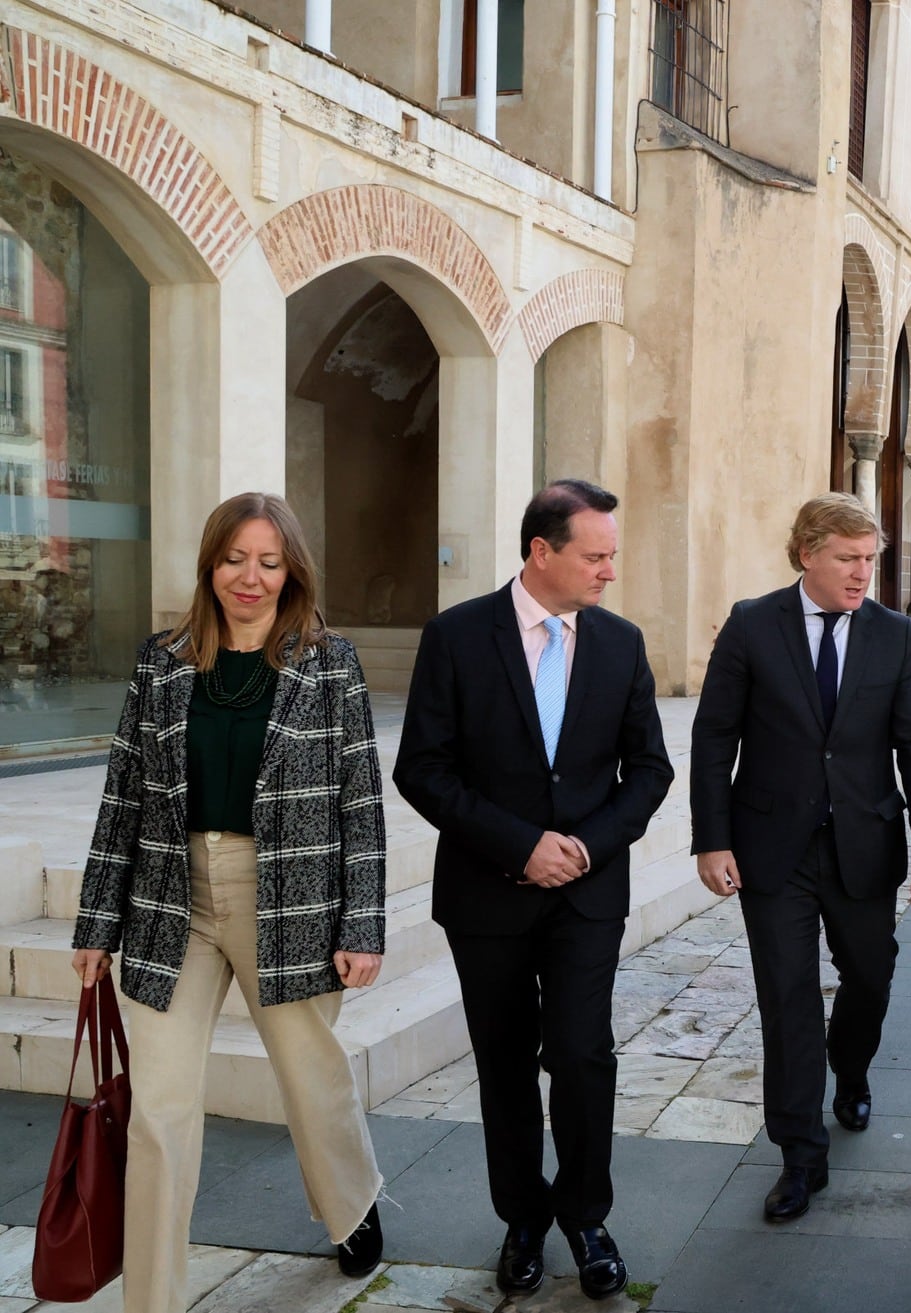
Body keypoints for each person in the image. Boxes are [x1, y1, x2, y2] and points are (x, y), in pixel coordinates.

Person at [73, 492, 388, 1312]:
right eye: (234, 559)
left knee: (311, 1078)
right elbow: (123, 793)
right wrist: (96, 921)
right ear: (210, 565)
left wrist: (362, 922)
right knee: (158, 1109)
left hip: (286, 898)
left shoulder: (330, 663)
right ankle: (152, 1298)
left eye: (268, 562)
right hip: (169, 899)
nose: (250, 576)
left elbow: (361, 801)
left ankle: (351, 1204)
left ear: (292, 572)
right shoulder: (162, 661)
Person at [394, 479, 673, 1299]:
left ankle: (586, 1217)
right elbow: (422, 768)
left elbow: (650, 769)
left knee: (583, 1054)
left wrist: (583, 846)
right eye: (595, 555)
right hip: (487, 893)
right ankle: (521, 1219)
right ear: (541, 551)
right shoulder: (455, 636)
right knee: (505, 1062)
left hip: (587, 891)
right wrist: (520, 845)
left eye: (612, 555)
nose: (609, 570)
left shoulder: (621, 643)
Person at [688, 493, 911, 1222]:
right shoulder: (752, 623)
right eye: (847, 559)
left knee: (871, 975)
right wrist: (711, 837)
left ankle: (851, 1067)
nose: (863, 572)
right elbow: (714, 737)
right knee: (788, 998)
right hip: (773, 849)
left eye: (870, 559)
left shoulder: (894, 633)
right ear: (807, 554)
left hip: (864, 842)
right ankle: (800, 1155)